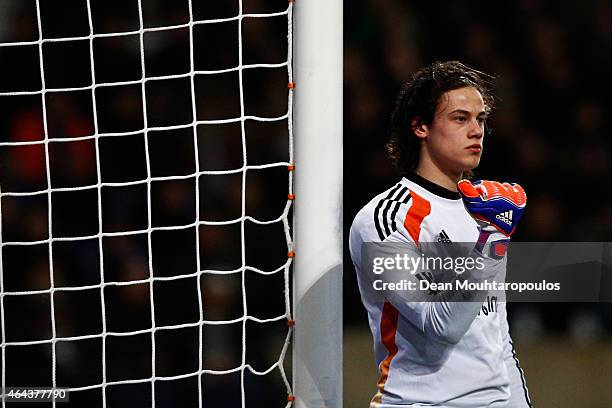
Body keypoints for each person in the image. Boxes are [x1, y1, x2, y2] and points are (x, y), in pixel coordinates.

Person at [349, 61, 532, 407]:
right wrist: (493, 240)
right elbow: (442, 325)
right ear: (420, 126)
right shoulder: (384, 219)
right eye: (460, 118)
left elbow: (496, 336)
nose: (476, 130)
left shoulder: (483, 209)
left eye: (480, 119)